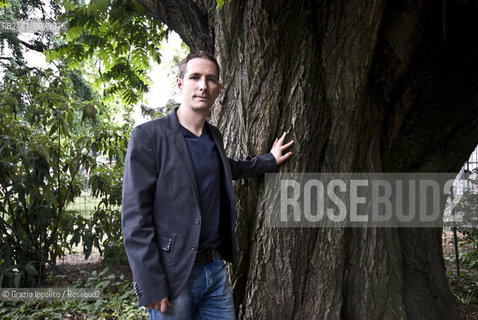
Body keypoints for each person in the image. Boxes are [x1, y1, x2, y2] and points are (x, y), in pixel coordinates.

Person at [121, 50, 293, 320]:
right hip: (173, 273)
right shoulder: (148, 137)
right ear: (180, 84)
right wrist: (150, 283)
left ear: (219, 89)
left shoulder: (214, 136)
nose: (203, 85)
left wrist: (267, 161)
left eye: (211, 79)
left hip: (214, 269)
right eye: (195, 77)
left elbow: (226, 168)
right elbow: (135, 217)